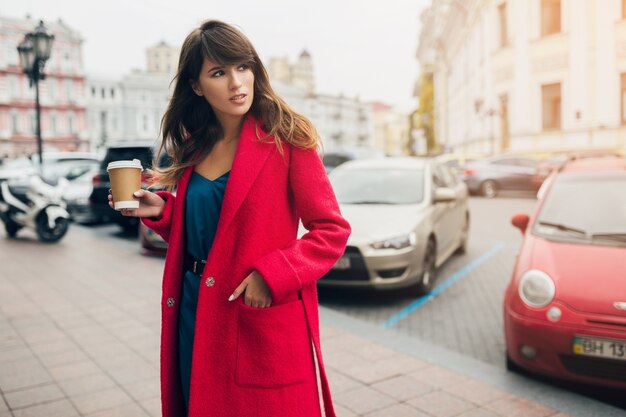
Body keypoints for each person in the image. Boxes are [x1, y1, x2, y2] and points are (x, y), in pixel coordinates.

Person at [108, 20, 350, 417]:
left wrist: (275, 274)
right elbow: (214, 227)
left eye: (242, 67)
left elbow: (331, 231)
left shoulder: (286, 137)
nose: (237, 82)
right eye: (219, 73)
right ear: (197, 86)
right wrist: (163, 211)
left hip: (253, 314)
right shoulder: (195, 144)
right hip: (195, 306)